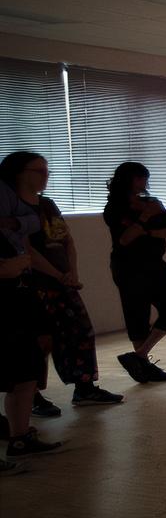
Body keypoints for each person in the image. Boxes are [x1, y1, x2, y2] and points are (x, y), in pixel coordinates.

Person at [5, 153, 122, 407]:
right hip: (35, 284)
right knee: (41, 340)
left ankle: (84, 387)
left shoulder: (47, 204)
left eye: (47, 170)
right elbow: (25, 249)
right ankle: (32, 396)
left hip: (63, 281)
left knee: (80, 331)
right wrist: (58, 275)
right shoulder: (14, 209)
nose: (45, 176)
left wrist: (72, 273)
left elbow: (66, 239)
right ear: (20, 173)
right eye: (39, 171)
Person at [1, 160, 60, 464]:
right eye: (39, 170)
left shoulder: (31, 206)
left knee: (27, 369)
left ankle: (20, 436)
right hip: (8, 297)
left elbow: (31, 228)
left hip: (21, 293)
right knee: (19, 369)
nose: (45, 176)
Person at [102, 162, 166, 383]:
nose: (144, 182)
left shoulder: (153, 202)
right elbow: (125, 239)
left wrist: (144, 231)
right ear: (127, 179)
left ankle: (139, 356)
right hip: (128, 267)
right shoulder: (114, 207)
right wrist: (145, 218)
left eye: (145, 177)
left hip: (155, 264)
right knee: (138, 315)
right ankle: (142, 365)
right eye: (140, 178)